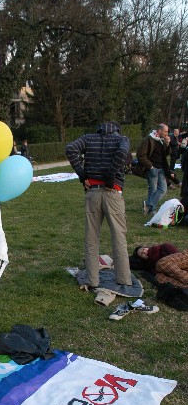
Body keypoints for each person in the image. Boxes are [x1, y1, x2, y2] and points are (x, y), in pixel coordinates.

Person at [66, 121, 132, 289]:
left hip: (93, 193)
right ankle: (124, 280)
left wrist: (82, 175)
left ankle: (92, 279)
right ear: (116, 130)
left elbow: (70, 149)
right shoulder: (121, 140)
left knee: (91, 238)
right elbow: (124, 152)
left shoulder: (88, 139)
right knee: (119, 238)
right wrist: (111, 176)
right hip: (113, 193)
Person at [137, 124, 172, 214]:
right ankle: (151, 210)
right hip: (153, 168)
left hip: (161, 169)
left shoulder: (161, 140)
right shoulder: (149, 140)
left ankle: (148, 205)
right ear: (159, 131)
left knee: (163, 189)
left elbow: (166, 154)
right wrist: (150, 166)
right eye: (165, 131)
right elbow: (141, 155)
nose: (167, 133)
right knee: (153, 189)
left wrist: (167, 144)